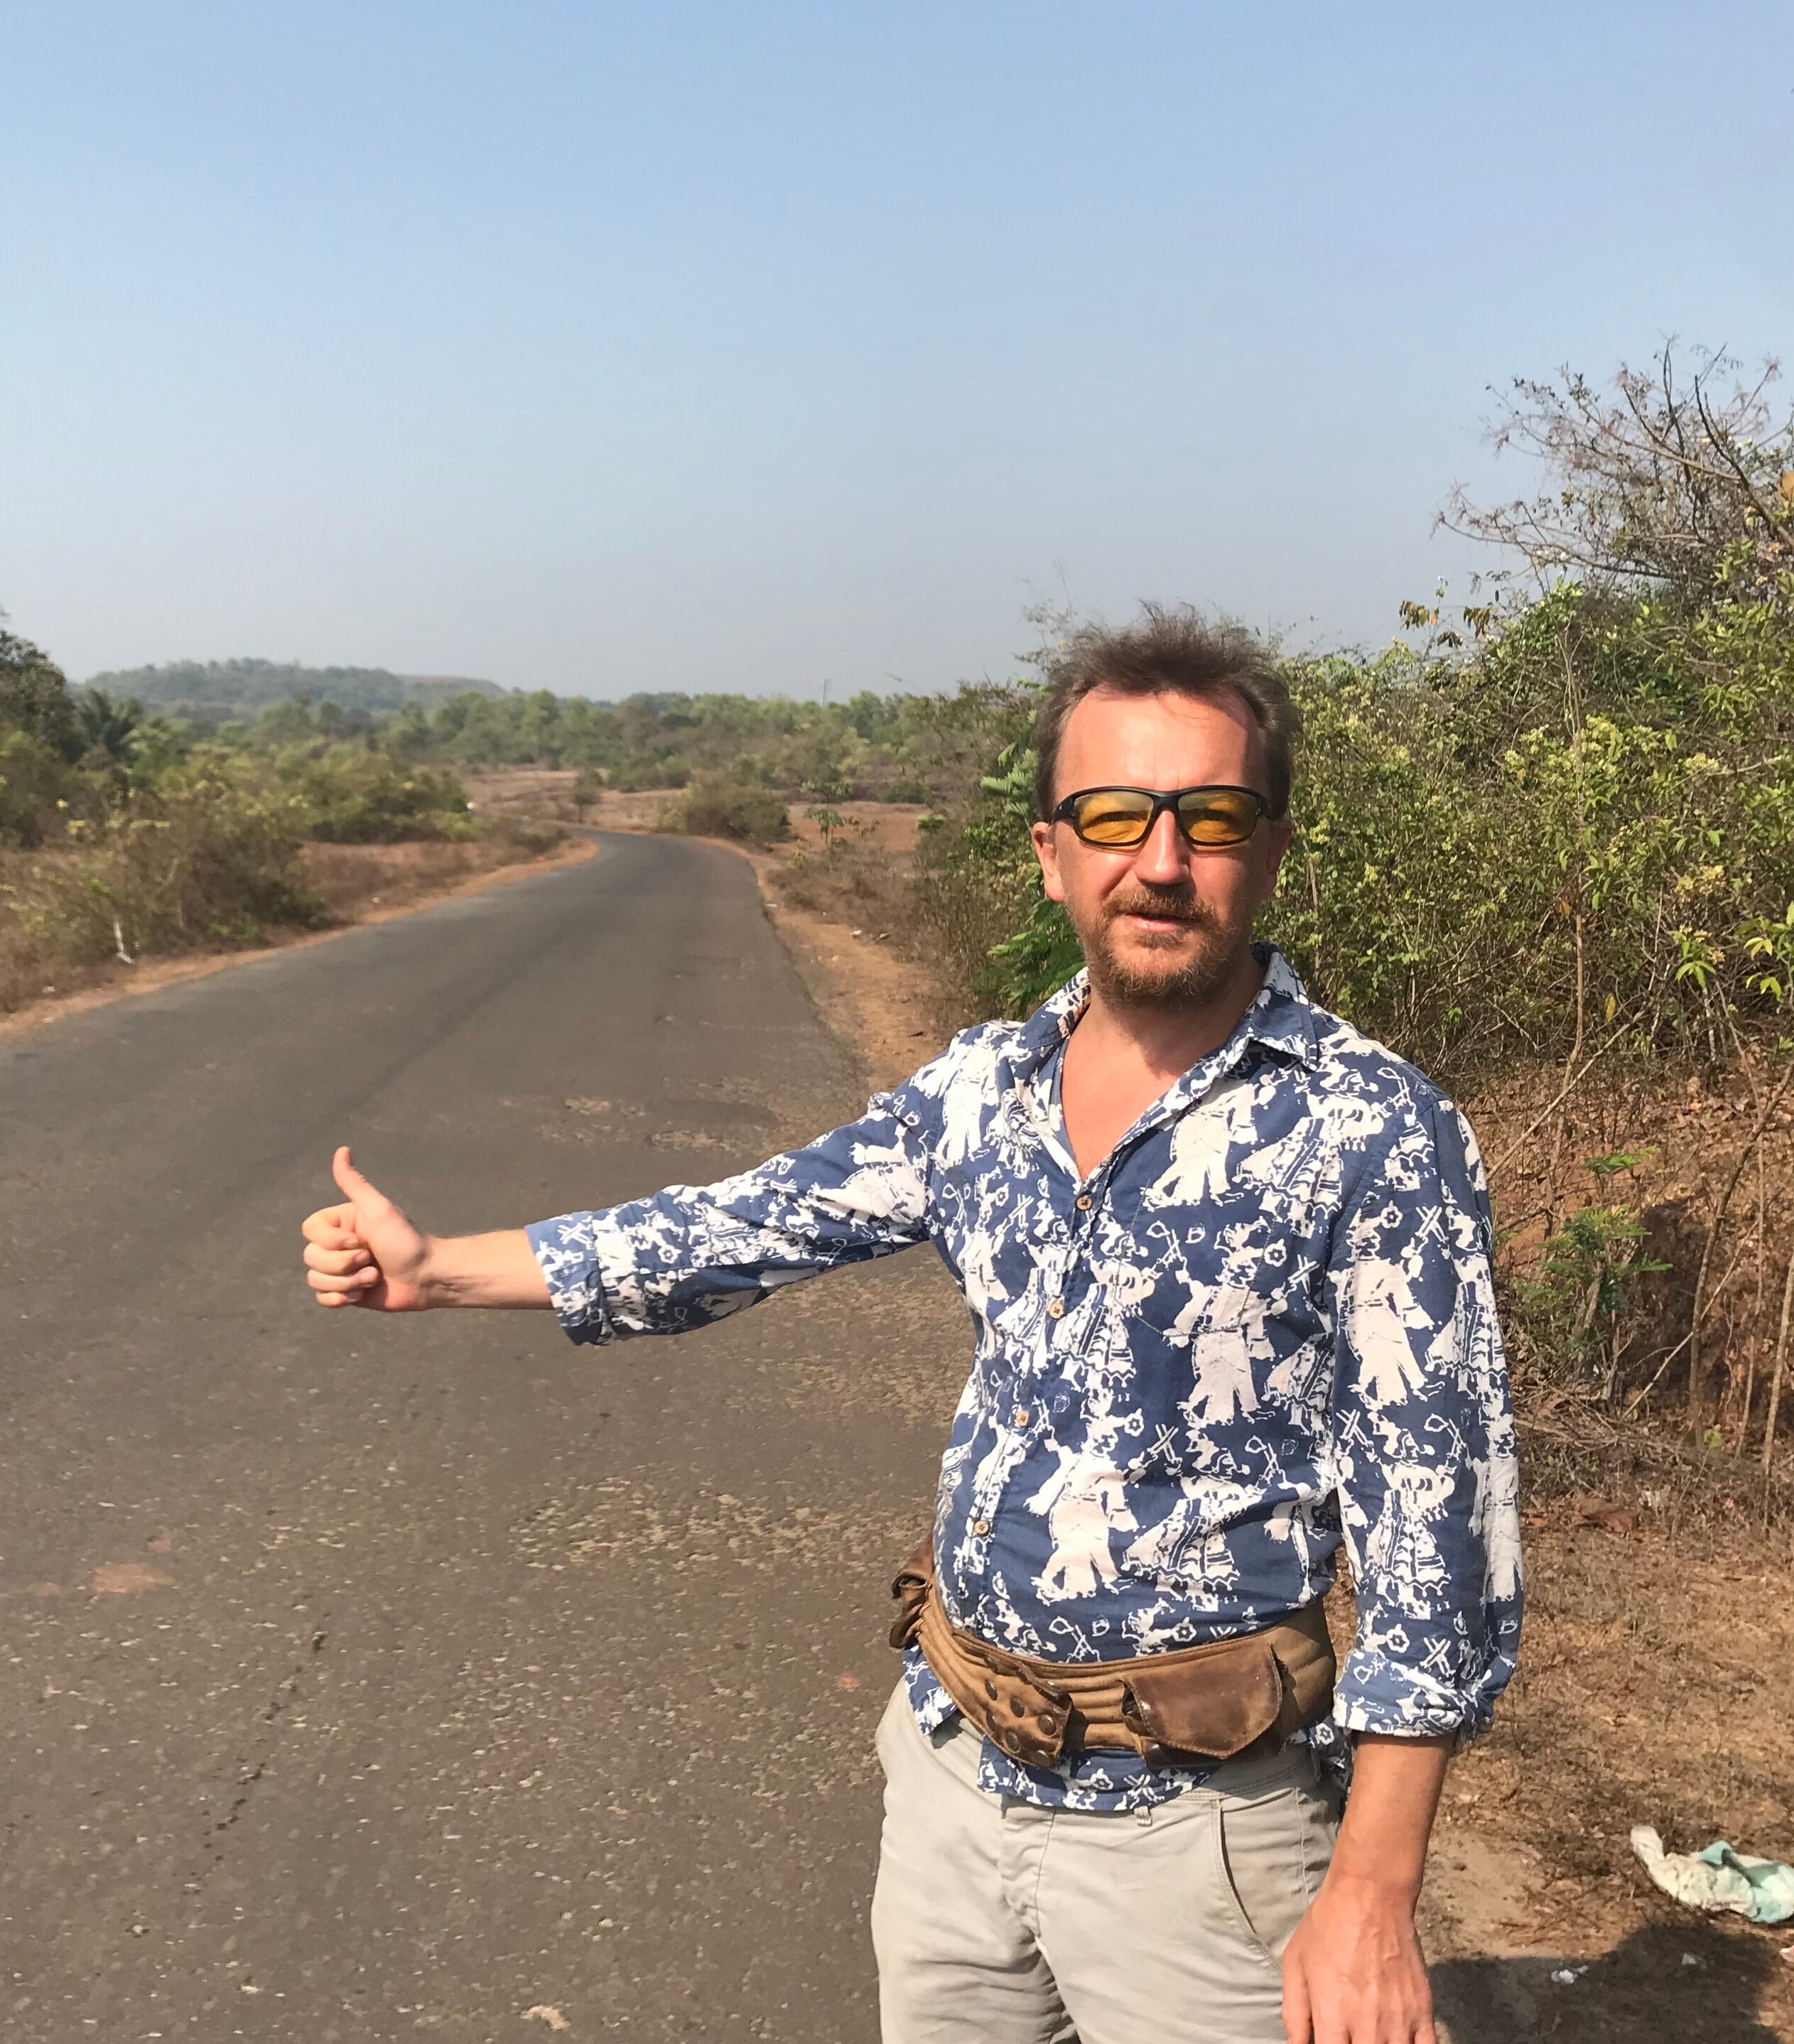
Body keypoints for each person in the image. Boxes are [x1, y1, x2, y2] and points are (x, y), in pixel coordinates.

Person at [299, 606, 1522, 2044]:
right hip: (953, 1777)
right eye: (1115, 814)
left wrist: (1372, 1892)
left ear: (1270, 846)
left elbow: (1437, 1534)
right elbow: (742, 1225)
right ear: (1050, 849)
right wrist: (439, 1269)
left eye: (1211, 816)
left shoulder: (1371, 1130)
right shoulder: (980, 1093)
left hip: (1196, 1839)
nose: (1161, 860)